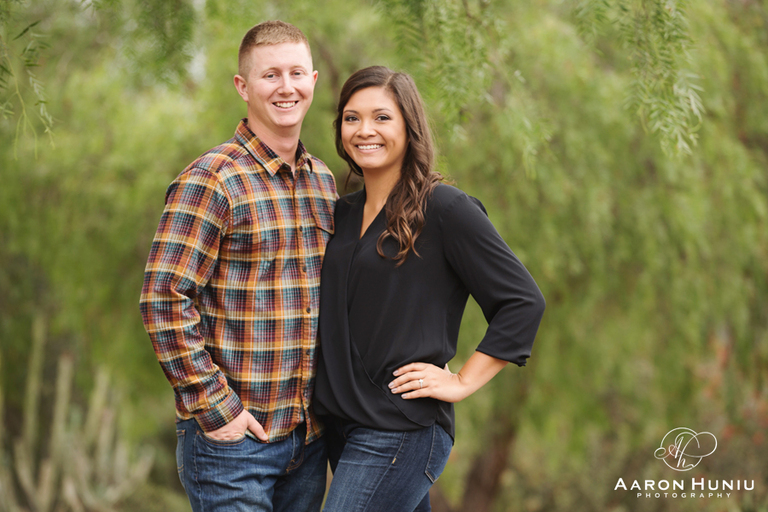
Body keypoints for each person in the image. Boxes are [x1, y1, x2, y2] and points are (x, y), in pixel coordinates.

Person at [314, 66, 546, 512]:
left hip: (400, 430)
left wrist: (460, 381)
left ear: (409, 126)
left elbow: (522, 301)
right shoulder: (340, 214)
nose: (365, 130)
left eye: (382, 117)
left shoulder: (444, 208)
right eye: (351, 118)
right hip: (341, 429)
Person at [139, 20, 337, 512]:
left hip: (307, 441)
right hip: (234, 443)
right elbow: (163, 298)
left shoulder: (324, 182)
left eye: (296, 73)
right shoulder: (212, 179)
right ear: (243, 87)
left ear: (313, 80)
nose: (286, 87)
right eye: (270, 75)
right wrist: (216, 409)